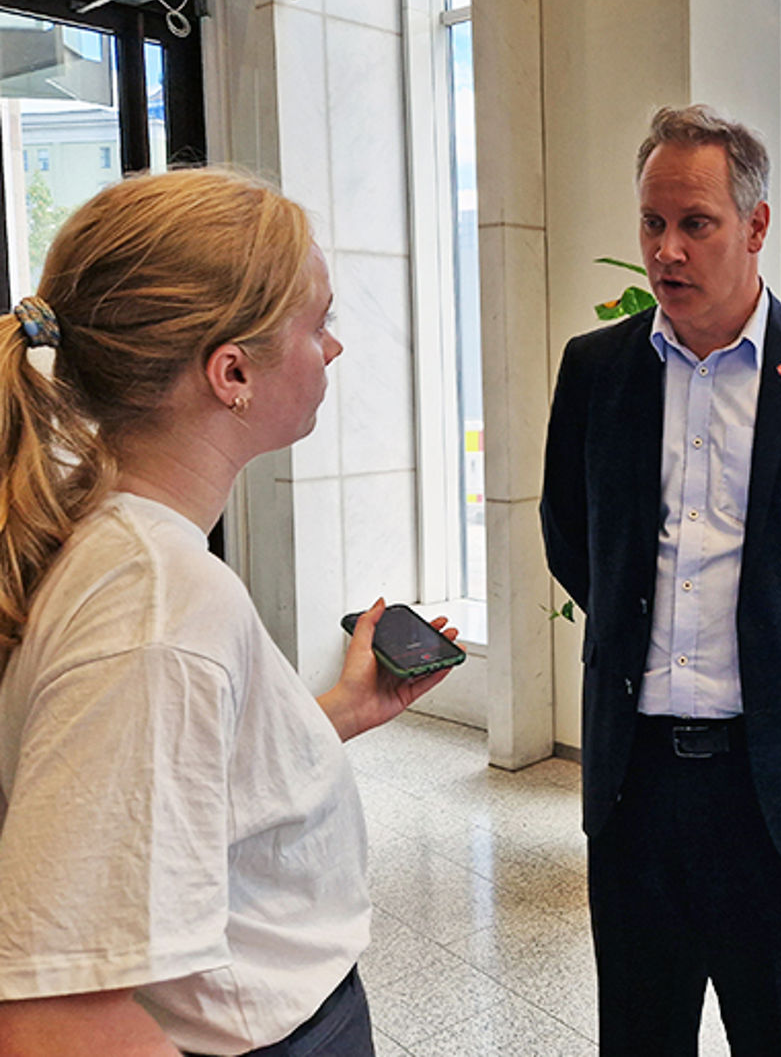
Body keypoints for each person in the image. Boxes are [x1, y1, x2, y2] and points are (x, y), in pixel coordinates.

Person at [0, 168, 456, 1057]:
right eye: (317, 323)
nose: (333, 348)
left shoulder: (119, 542)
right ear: (233, 371)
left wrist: (338, 712)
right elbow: (60, 1017)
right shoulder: (159, 602)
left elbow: (175, 786)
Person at [541, 105, 781, 1055]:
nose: (666, 250)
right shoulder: (597, 371)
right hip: (636, 788)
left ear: (755, 227)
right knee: (639, 1036)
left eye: (696, 223)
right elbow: (570, 536)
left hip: (778, 786)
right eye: (652, 223)